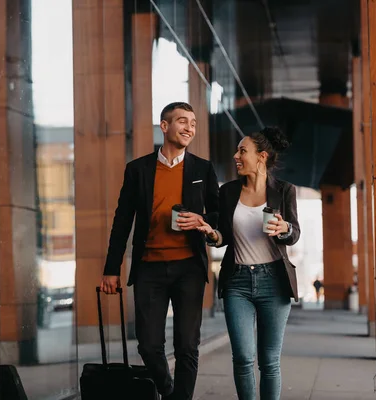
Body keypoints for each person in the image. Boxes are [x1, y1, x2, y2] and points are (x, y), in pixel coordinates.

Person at [99, 102, 219, 400]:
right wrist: (111, 269)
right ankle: (168, 392)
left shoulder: (203, 169)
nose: (190, 127)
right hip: (149, 268)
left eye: (193, 122)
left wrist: (203, 221)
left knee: (187, 346)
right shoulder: (137, 169)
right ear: (164, 126)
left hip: (189, 267)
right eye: (182, 121)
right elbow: (122, 221)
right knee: (149, 345)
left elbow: (219, 218)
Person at [196, 127, 300, 400]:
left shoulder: (284, 191)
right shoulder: (228, 192)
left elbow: (294, 233)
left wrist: (284, 228)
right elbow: (224, 237)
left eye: (243, 151)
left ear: (261, 157)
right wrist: (213, 235)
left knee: (269, 360)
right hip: (237, 283)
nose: (236, 156)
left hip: (274, 282)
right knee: (242, 356)